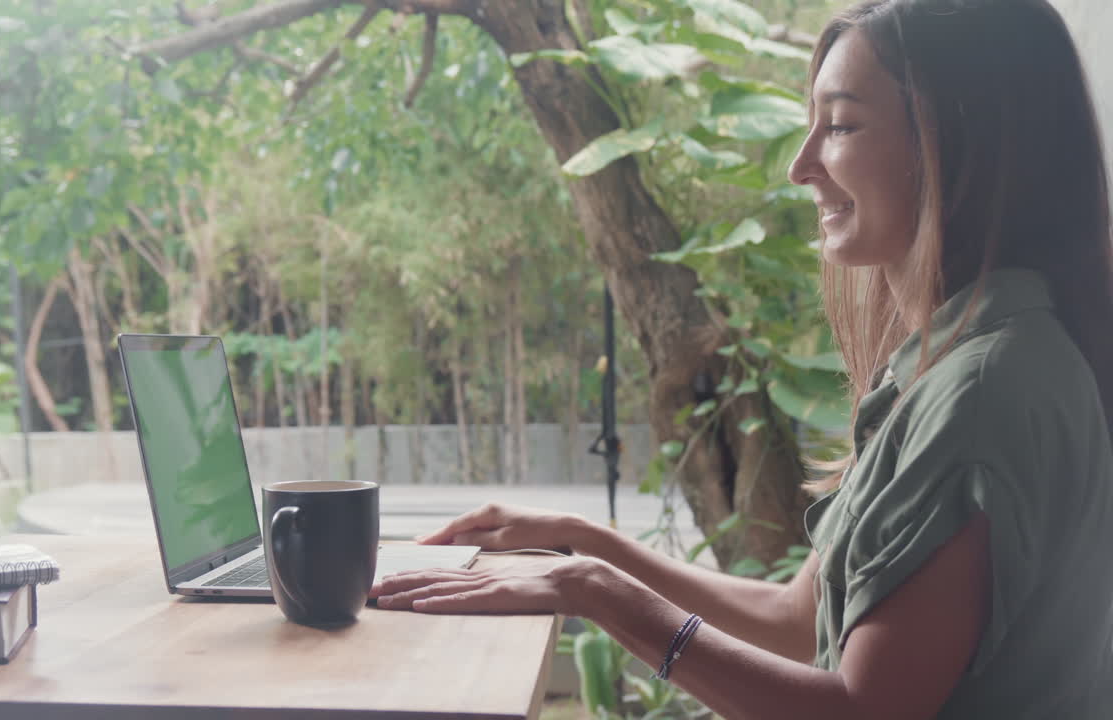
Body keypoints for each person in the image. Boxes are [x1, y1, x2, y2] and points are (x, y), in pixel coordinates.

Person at [370, 0, 1113, 716]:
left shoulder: (984, 393)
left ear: (959, 146)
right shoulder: (959, 362)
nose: (800, 166)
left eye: (842, 126)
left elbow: (859, 713)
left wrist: (595, 590)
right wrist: (587, 543)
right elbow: (796, 616)